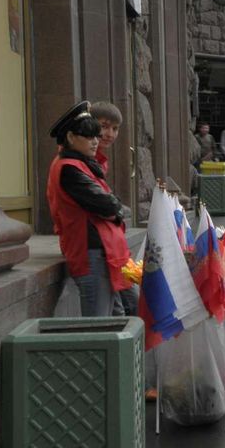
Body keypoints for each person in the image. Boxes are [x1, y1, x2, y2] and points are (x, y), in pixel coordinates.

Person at [47, 101, 131, 317]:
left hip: (104, 251)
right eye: (88, 136)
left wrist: (114, 207)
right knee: (101, 324)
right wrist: (115, 208)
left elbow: (108, 203)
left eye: (96, 135)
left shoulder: (82, 163)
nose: (96, 141)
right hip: (91, 252)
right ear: (71, 137)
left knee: (117, 317)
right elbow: (108, 204)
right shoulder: (69, 168)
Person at [90, 101, 140, 317]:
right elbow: (103, 204)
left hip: (112, 246)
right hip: (100, 247)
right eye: (104, 126)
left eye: (115, 128)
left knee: (126, 307)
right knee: (122, 310)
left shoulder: (99, 159)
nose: (109, 133)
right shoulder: (84, 160)